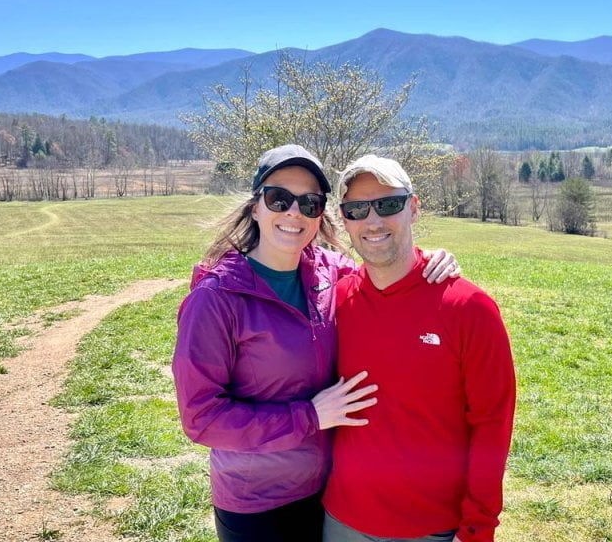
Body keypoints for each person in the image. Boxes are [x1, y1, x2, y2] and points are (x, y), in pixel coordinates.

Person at [171, 144, 460, 542]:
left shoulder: (331, 271)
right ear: (256, 206)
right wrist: (309, 416)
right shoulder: (217, 299)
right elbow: (202, 419)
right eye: (279, 198)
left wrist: (428, 260)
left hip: (330, 491)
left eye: (309, 203)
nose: (294, 212)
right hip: (259, 503)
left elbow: (384, 273)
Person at [323, 155, 516, 542]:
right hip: (341, 519)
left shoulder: (468, 309)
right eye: (357, 209)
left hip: (433, 528)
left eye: (389, 204)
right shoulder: (333, 300)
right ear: (344, 220)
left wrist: (478, 527)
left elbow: (492, 426)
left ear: (413, 208)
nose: (373, 221)